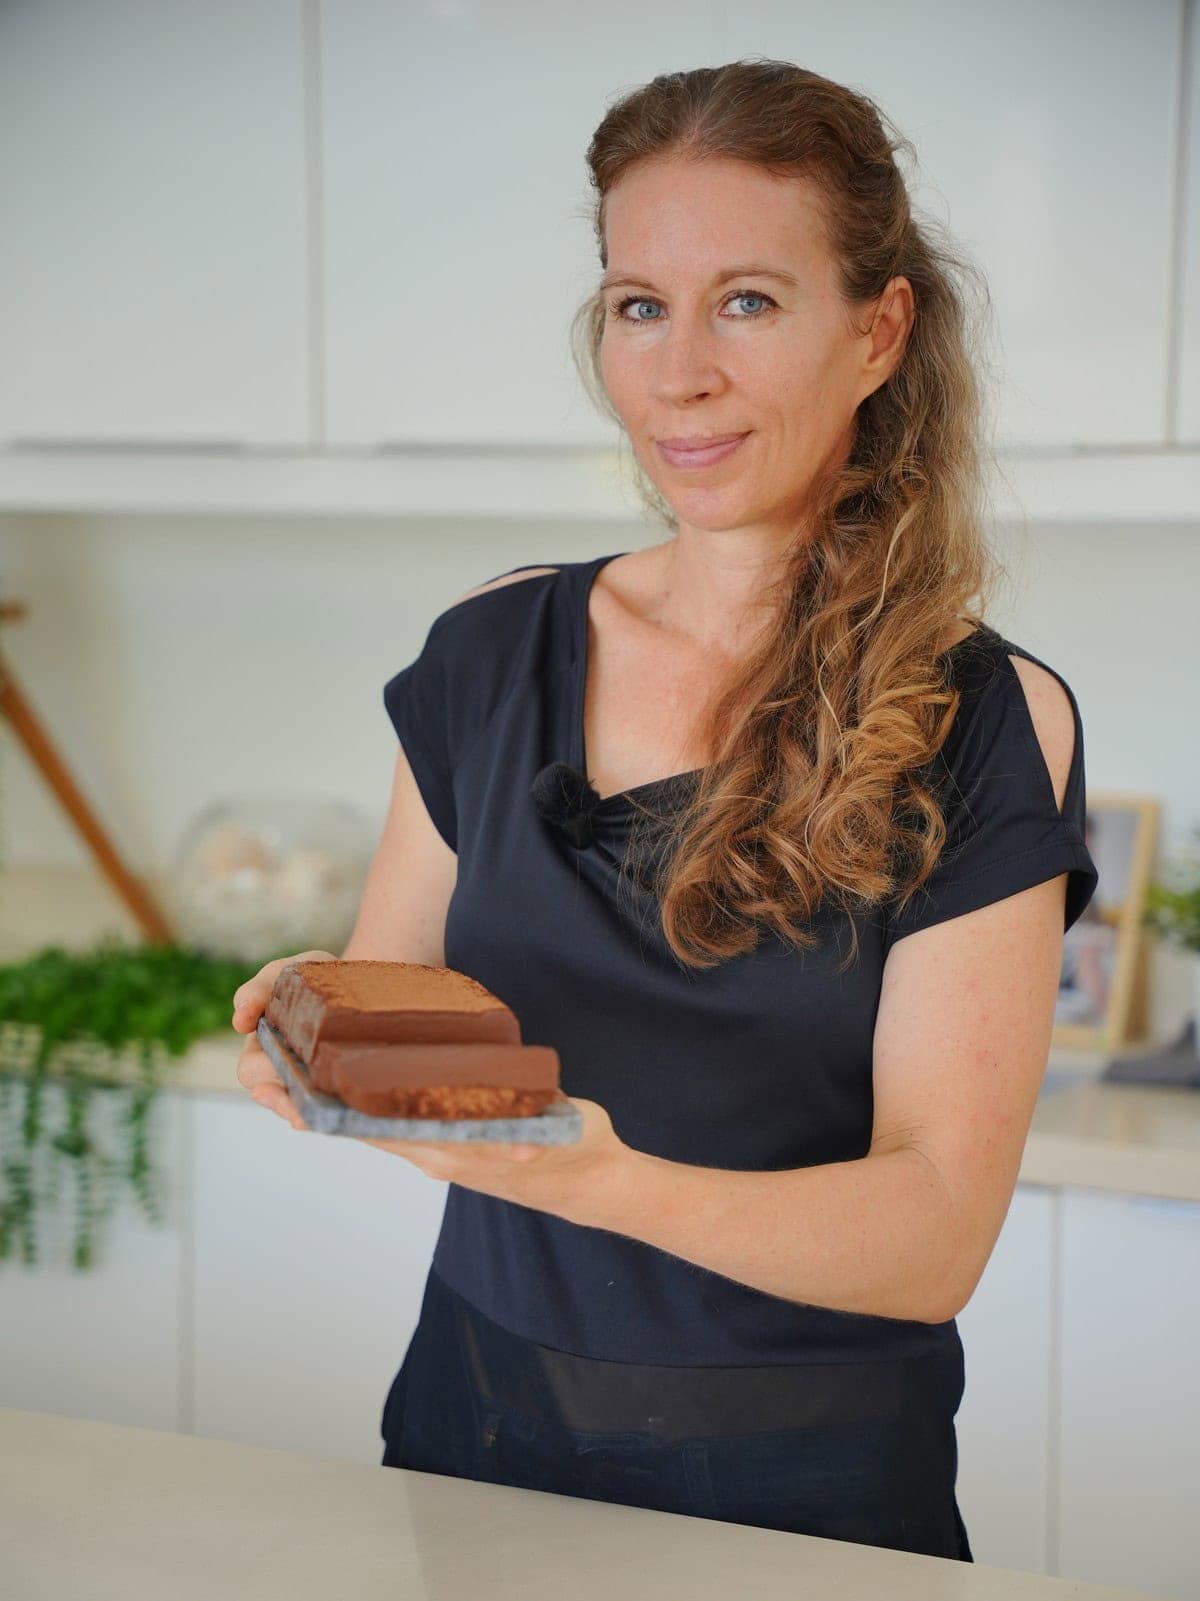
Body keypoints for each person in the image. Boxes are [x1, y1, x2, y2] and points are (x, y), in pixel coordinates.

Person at [232, 60, 1098, 1562]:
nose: (677, 372)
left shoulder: (984, 721)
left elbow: (936, 1230)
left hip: (806, 1497)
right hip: (469, 1432)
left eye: (747, 301)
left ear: (878, 330)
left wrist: (606, 1176)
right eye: (640, 304)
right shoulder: (491, 651)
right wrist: (317, 1030)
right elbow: (397, 994)